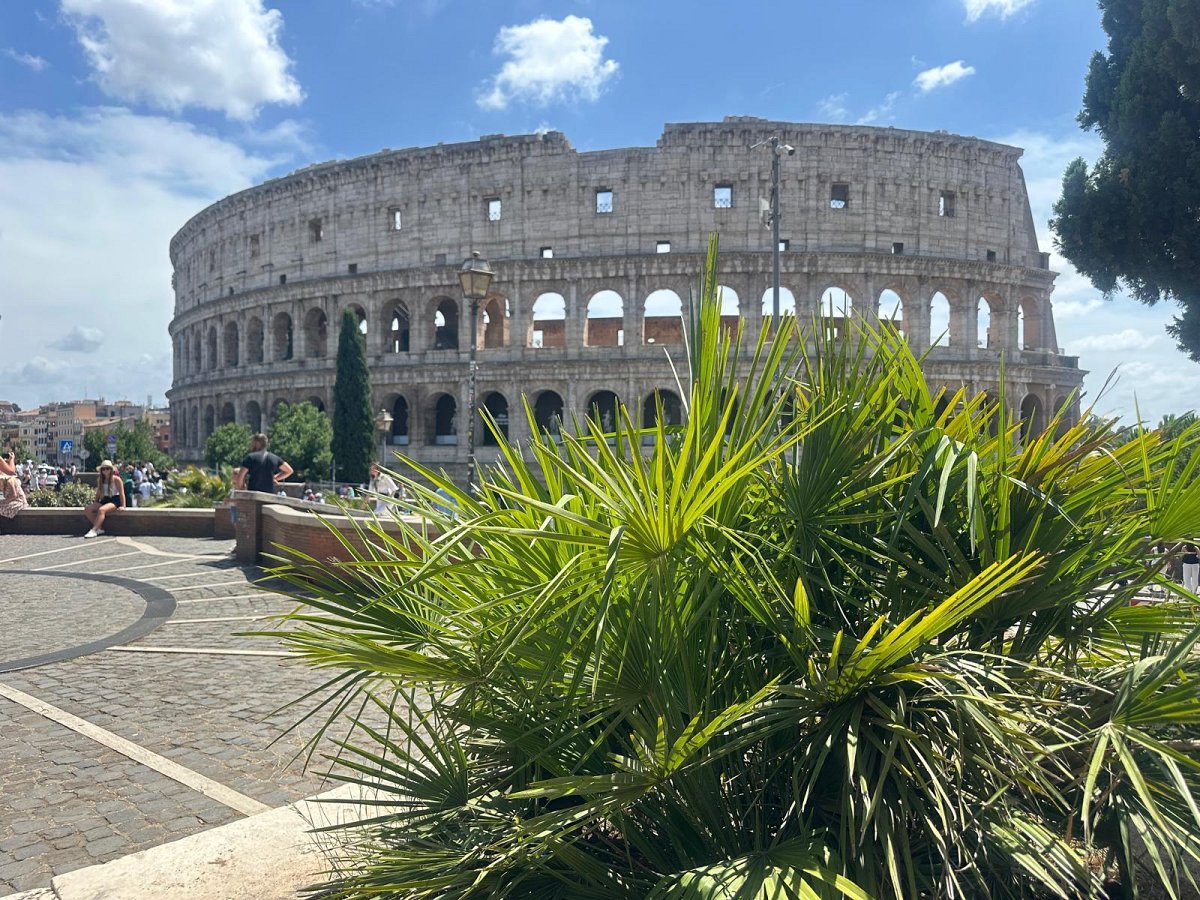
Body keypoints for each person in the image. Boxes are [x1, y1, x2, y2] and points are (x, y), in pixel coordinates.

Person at [84, 460, 125, 538]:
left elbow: (122, 493)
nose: (105, 470)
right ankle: (99, 528)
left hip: (114, 499)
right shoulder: (100, 480)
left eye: (107, 468)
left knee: (102, 510)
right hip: (105, 499)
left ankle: (93, 530)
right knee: (87, 509)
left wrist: (123, 506)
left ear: (111, 469)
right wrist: (95, 503)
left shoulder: (117, 479)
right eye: (103, 469)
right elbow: (98, 493)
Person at [0, 448, 28, 528]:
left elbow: (10, 473)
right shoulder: (9, 480)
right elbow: (11, 472)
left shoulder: (9, 481)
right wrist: (11, 459)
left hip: (18, 502)